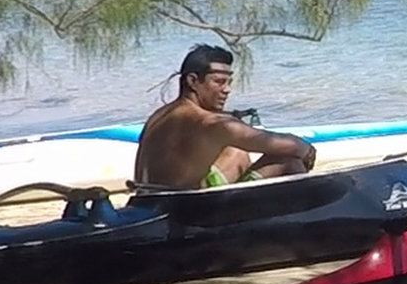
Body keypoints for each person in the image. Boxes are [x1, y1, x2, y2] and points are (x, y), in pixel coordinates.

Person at [130, 44, 317, 190]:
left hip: (149, 199)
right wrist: (306, 150)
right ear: (193, 81)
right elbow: (292, 146)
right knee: (288, 160)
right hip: (184, 212)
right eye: (219, 82)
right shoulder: (211, 124)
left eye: (229, 82)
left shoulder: (161, 115)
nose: (227, 90)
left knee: (236, 152)